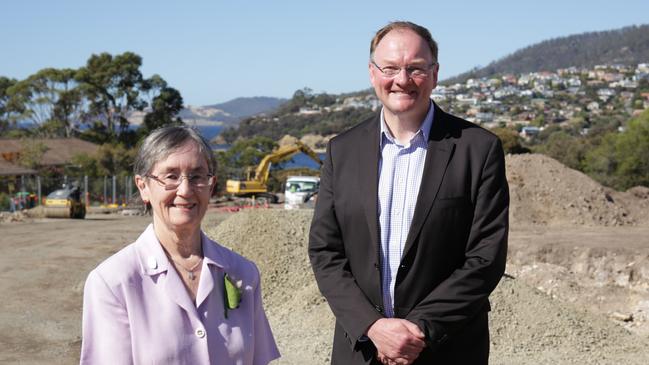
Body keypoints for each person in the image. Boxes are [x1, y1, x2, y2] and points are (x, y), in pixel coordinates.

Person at [309, 21, 509, 365]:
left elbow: (485, 257)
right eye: (390, 68)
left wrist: (418, 329)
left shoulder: (478, 149)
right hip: (362, 351)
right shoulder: (342, 151)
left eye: (415, 68)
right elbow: (325, 251)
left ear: (435, 74)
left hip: (447, 350)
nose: (402, 79)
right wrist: (372, 326)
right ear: (373, 74)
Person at [80, 126, 280, 364]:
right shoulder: (114, 282)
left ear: (211, 185)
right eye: (171, 176)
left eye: (196, 176)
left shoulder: (243, 274)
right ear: (143, 186)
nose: (185, 190)